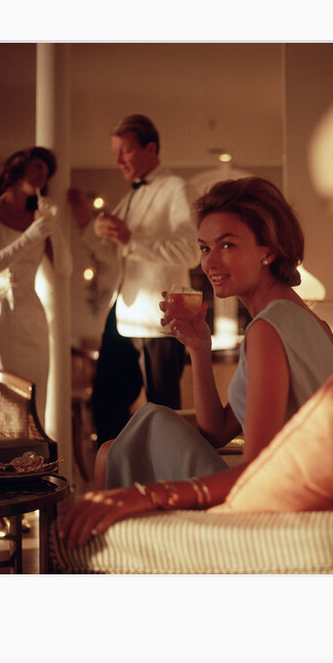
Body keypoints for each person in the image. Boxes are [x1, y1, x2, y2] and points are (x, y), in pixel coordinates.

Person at [57, 176, 333, 548]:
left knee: (138, 431)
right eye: (205, 248)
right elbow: (217, 431)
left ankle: (115, 549)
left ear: (268, 250)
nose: (211, 262)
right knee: (115, 449)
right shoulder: (310, 322)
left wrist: (146, 496)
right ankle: (119, 545)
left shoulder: (267, 329)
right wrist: (199, 348)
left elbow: (256, 473)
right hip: (294, 492)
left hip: (279, 508)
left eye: (227, 245)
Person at [68, 114, 200, 447]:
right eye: (116, 152)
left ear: (150, 148)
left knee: (163, 409)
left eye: (124, 151)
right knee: (105, 402)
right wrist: (87, 224)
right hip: (123, 313)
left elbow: (191, 252)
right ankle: (120, 475)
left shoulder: (177, 189)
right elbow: (115, 256)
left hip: (160, 316)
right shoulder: (129, 198)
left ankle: (167, 485)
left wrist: (130, 239)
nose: (117, 161)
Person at [0, 145, 73, 431]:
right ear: (17, 167)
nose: (43, 176)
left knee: (33, 400)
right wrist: (29, 237)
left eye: (47, 172)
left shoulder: (38, 218)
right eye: (38, 167)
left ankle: (32, 467)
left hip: (32, 317)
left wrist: (56, 225)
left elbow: (65, 268)